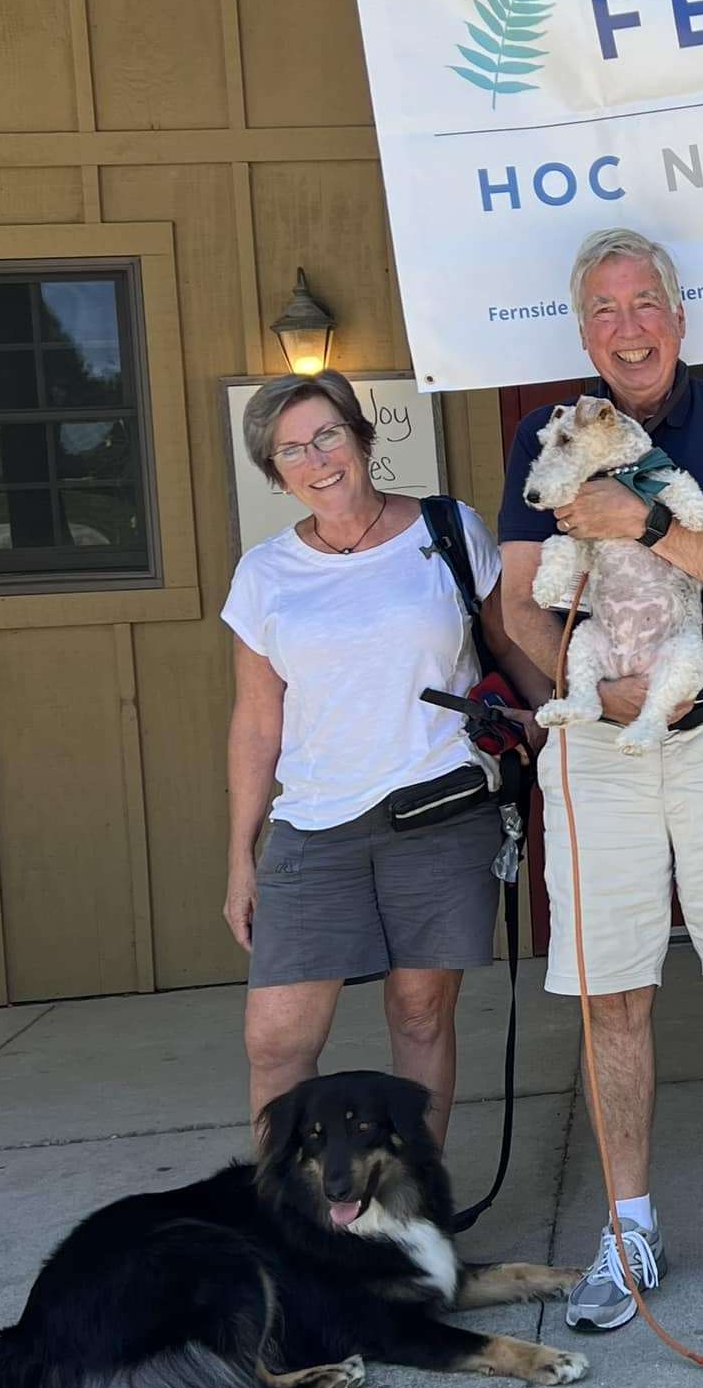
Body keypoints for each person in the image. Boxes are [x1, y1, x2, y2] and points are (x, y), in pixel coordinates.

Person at [497, 228, 703, 1331]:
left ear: (678, 318)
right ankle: (628, 1225)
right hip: (599, 743)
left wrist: (640, 519)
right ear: (583, 329)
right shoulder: (545, 434)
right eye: (603, 308)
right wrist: (591, 687)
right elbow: (517, 604)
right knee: (610, 997)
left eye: (644, 304)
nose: (627, 325)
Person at [222, 369, 543, 1142]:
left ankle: (417, 1216)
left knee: (421, 1015)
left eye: (327, 435)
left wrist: (550, 718)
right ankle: (288, 1228)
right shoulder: (265, 574)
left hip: (441, 809)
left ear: (362, 437)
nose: (317, 459)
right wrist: (241, 853)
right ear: (275, 473)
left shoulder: (447, 529)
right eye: (291, 450)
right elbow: (257, 720)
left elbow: (505, 640)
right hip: (315, 822)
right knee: (277, 1038)